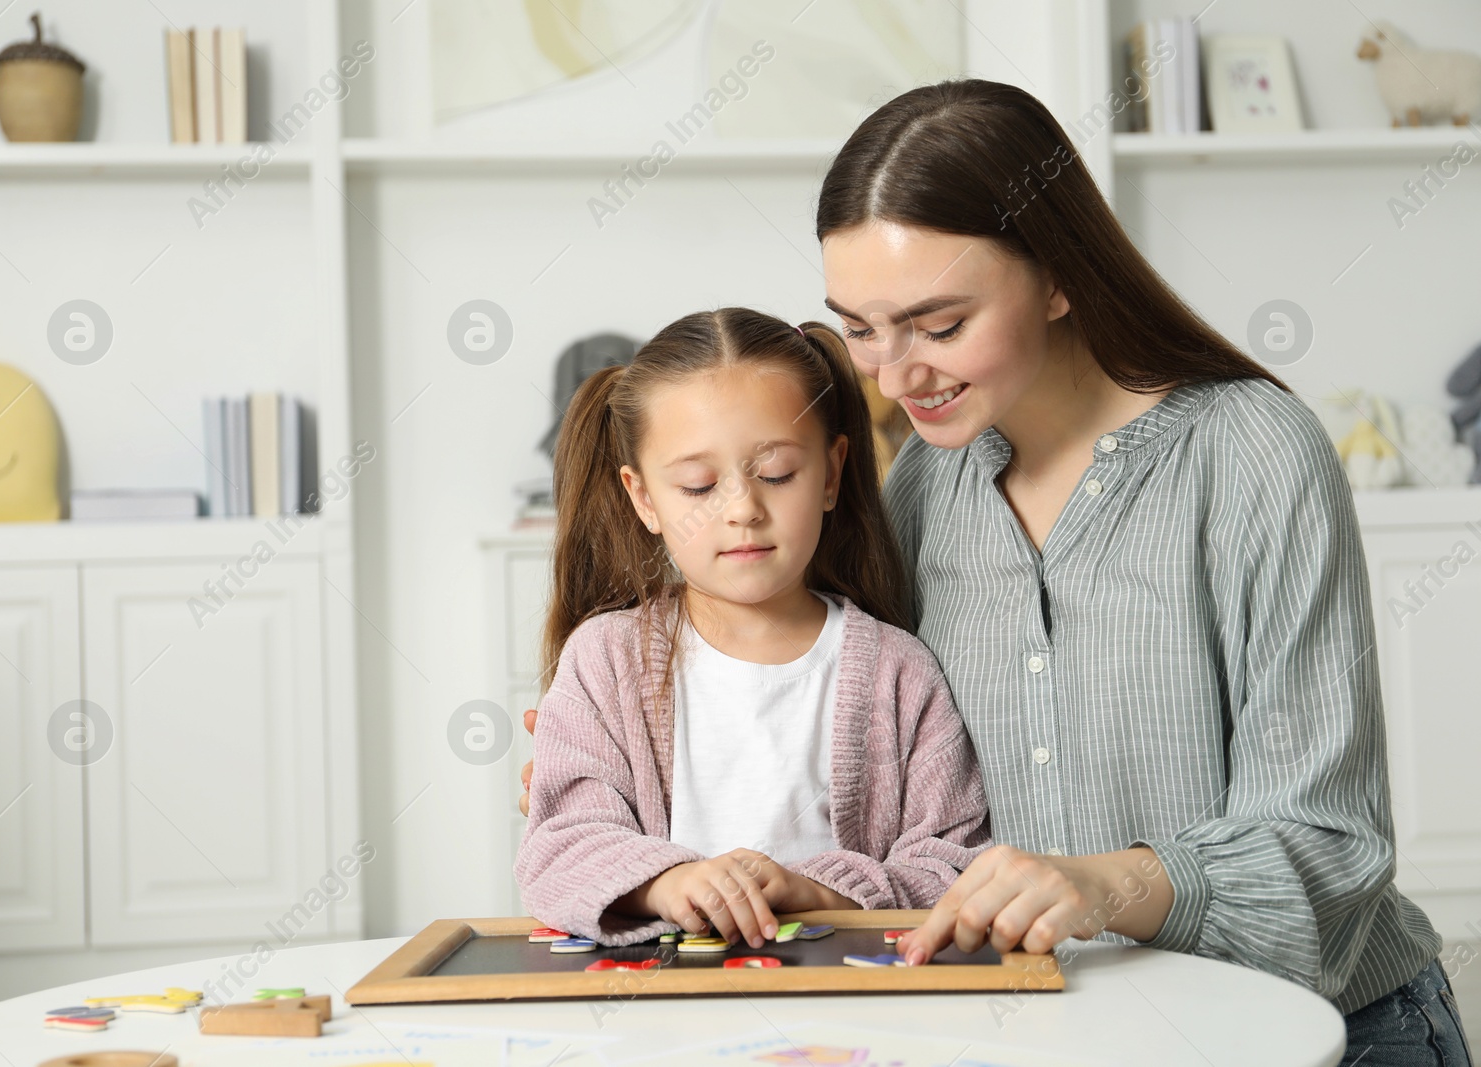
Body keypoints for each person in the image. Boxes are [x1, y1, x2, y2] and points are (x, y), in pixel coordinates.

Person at [524, 80, 1471, 1065]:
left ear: (1059, 276)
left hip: (1317, 1028)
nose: (891, 378)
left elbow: (1330, 843)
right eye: (859, 327)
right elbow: (874, 746)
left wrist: (1105, 883)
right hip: (1066, 1027)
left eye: (937, 326)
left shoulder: (1252, 455)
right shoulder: (930, 481)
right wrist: (625, 757)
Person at [515, 307, 989, 949]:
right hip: (663, 1011)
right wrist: (666, 882)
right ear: (644, 498)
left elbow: (952, 863)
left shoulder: (897, 669)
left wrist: (818, 892)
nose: (742, 509)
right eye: (697, 485)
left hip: (850, 1010)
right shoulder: (607, 659)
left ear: (831, 473)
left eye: (776, 475)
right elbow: (559, 848)